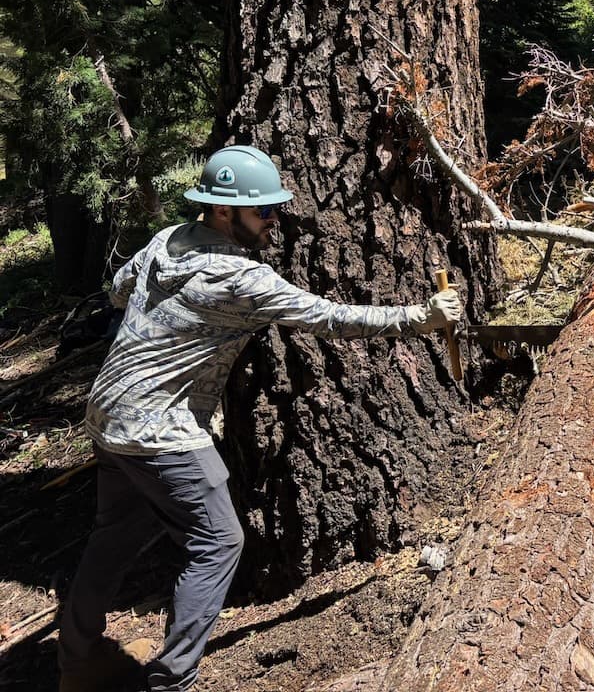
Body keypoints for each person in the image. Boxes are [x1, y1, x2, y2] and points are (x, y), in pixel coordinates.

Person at [57, 145, 463, 692]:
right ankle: (171, 680)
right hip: (160, 428)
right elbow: (330, 318)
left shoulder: (166, 241)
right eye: (265, 211)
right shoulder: (241, 279)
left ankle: (77, 665)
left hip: (106, 414)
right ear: (224, 212)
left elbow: (117, 288)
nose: (276, 220)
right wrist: (420, 317)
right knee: (220, 542)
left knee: (113, 537)